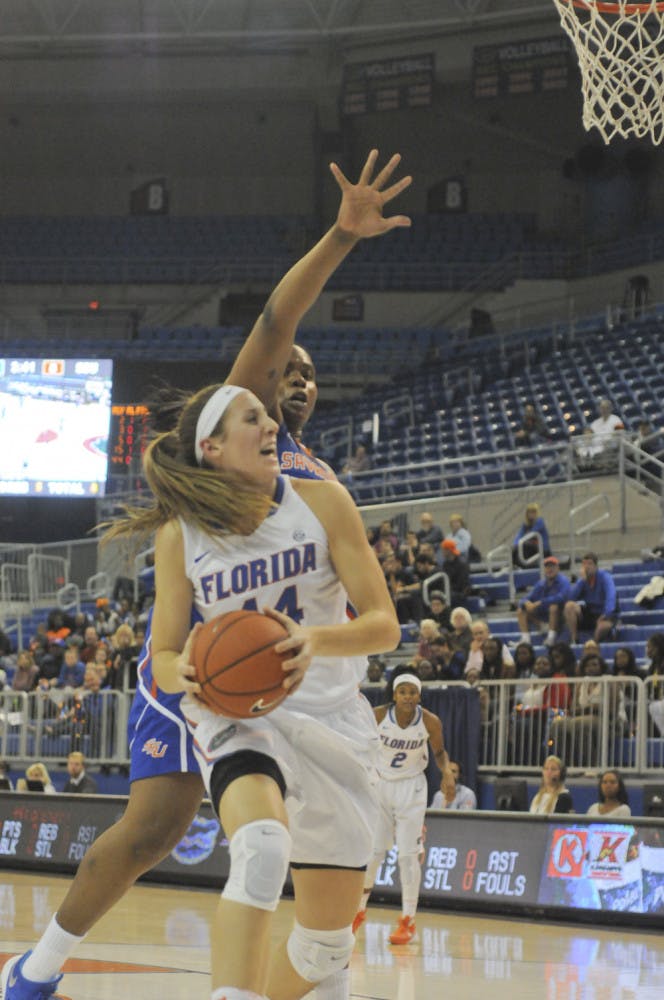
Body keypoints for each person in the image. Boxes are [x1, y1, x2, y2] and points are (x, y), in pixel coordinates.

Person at [0, 148, 411, 1000]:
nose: (291, 378)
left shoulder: (314, 486)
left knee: (323, 918)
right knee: (155, 826)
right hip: (201, 662)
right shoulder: (229, 434)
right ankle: (39, 967)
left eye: (304, 378)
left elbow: (374, 614)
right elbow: (274, 317)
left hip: (294, 684)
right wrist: (341, 236)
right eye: (280, 372)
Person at [353, 665, 454, 946]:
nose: (408, 697)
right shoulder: (377, 717)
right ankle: (357, 912)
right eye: (403, 692)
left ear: (419, 696)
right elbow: (360, 745)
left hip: (412, 788)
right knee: (374, 852)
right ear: (394, 695)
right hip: (381, 785)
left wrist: (446, 772)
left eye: (413, 692)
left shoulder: (430, 722)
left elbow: (440, 752)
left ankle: (407, 920)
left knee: (408, 856)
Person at [563, 551, 619, 645]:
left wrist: (606, 614)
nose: (587, 567)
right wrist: (581, 581)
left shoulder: (605, 577)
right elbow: (570, 598)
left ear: (596, 566)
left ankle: (594, 644)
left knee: (602, 627)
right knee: (569, 606)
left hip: (605, 613)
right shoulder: (583, 581)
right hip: (590, 612)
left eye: (589, 564)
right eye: (584, 564)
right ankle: (574, 639)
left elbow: (611, 596)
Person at [516, 555, 572, 647]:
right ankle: (525, 639)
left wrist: (541, 602)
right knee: (521, 610)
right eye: (547, 567)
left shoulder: (564, 581)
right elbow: (527, 597)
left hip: (560, 617)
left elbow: (561, 597)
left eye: (552, 567)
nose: (549, 569)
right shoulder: (541, 584)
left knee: (553, 606)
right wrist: (525, 602)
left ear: (558, 568)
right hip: (543, 616)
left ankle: (551, 637)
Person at [512, 502, 551, 567]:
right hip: (531, 549)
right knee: (515, 549)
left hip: (543, 550)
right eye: (529, 512)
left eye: (533, 512)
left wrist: (521, 542)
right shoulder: (525, 525)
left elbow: (532, 533)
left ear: (537, 513)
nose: (531, 514)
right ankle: (513, 565)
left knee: (525, 546)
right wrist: (515, 544)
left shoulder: (540, 521)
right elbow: (519, 536)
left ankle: (523, 565)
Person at [439, 539, 470, 605]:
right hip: (450, 591)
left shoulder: (462, 564)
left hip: (460, 593)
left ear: (449, 550)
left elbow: (461, 584)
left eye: (443, 549)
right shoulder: (446, 564)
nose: (442, 552)